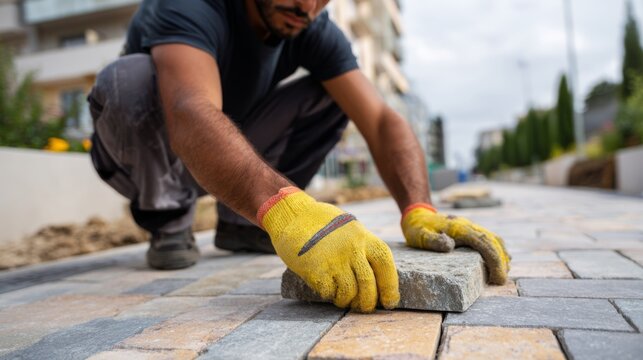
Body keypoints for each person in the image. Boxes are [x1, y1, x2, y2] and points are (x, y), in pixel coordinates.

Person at [88, 0, 510, 313]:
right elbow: (189, 110)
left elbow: (381, 119)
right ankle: (169, 219)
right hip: (152, 147)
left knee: (331, 93)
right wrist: (283, 206)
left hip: (223, 150)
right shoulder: (194, 5)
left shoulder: (312, 28)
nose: (306, 7)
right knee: (129, 78)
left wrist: (418, 208)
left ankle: (242, 225)